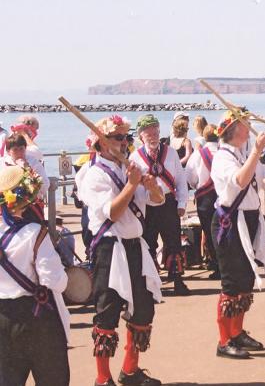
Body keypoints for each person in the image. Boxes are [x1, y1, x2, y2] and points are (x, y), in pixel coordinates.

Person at [80, 115, 165, 386]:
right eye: (118, 138)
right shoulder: (93, 174)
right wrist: (132, 183)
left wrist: (151, 187)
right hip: (109, 247)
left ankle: (130, 371)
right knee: (108, 310)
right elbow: (113, 213)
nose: (125, 142)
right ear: (102, 143)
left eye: (127, 138)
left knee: (143, 307)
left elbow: (157, 201)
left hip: (134, 246)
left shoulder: (128, 167)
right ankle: (102, 377)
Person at [210, 110, 265, 359]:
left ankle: (237, 332)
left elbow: (263, 177)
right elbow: (240, 181)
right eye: (245, 124)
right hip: (230, 222)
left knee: (246, 281)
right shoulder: (222, 158)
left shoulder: (241, 153)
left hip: (249, 219)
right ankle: (224, 340)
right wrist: (255, 151)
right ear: (234, 130)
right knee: (231, 282)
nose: (249, 126)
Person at [0, 165, 71, 386]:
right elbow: (54, 281)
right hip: (36, 317)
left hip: (2, 317)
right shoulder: (35, 233)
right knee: (52, 378)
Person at [129, 114, 190, 295]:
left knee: (174, 243)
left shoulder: (170, 152)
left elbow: (180, 179)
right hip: (146, 207)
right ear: (141, 136)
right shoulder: (135, 157)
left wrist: (182, 203)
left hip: (169, 203)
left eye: (155, 132)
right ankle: (152, 285)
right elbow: (132, 185)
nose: (153, 136)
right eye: (149, 134)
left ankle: (178, 281)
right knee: (148, 243)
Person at [185, 124, 220, 279]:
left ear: (204, 137)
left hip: (205, 198)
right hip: (224, 196)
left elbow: (190, 177)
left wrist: (197, 186)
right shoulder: (224, 153)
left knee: (209, 231)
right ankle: (227, 264)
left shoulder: (198, 155)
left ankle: (216, 266)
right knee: (225, 231)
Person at [1, 134, 50, 223]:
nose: (19, 153)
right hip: (6, 206)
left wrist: (26, 168)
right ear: (8, 151)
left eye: (21, 149)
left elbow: (45, 185)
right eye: (15, 150)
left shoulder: (34, 162)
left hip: (30, 205)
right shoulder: (2, 164)